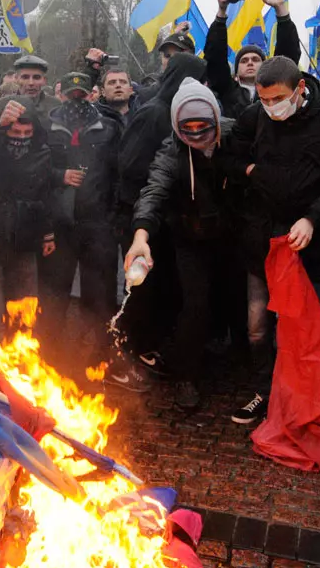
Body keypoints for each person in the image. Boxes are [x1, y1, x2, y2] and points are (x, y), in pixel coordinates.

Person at [226, 55, 320, 424]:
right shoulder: (253, 117)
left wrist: (313, 218)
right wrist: (249, 169)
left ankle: (298, 402)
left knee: (298, 333)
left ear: (300, 89)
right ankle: (265, 391)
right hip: (261, 242)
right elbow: (228, 157)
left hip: (310, 249)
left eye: (278, 99)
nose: (272, 108)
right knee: (257, 328)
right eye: (264, 99)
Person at [125, 79, 234, 409]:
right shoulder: (171, 151)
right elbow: (152, 192)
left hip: (234, 234)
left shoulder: (237, 135)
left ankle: (246, 372)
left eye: (206, 127)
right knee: (195, 304)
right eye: (190, 129)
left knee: (238, 304)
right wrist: (140, 235)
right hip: (192, 237)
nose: (199, 136)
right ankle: (186, 376)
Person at [114, 53, 208, 386]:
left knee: (157, 289)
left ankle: (145, 349)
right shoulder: (154, 112)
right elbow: (129, 166)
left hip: (163, 219)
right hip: (140, 213)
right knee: (138, 290)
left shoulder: (177, 112)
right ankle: (121, 360)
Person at [40, 72, 122, 367]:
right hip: (60, 225)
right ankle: (51, 357)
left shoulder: (109, 128)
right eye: (70, 95)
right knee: (54, 294)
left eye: (82, 95)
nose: (76, 100)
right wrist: (58, 176)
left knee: (98, 295)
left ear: (92, 95)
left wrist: (112, 216)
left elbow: (118, 173)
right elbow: (33, 170)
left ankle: (98, 358)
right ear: (61, 94)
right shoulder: (46, 125)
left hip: (97, 224)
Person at [0, 96, 55, 337]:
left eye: (27, 131)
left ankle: (22, 366)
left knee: (25, 312)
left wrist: (47, 233)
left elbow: (44, 195)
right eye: (15, 131)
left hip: (25, 243)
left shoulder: (42, 152)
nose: (21, 137)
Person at [206, 0, 301, 119]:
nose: (250, 63)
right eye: (244, 61)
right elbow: (215, 57)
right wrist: (222, 10)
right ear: (236, 71)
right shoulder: (227, 91)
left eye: (256, 59)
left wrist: (280, 8)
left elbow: (288, 56)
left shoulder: (276, 87)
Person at [14, 54, 59, 127]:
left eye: (36, 77)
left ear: (44, 80)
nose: (31, 83)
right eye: (25, 77)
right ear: (16, 79)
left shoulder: (55, 105)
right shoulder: (4, 104)